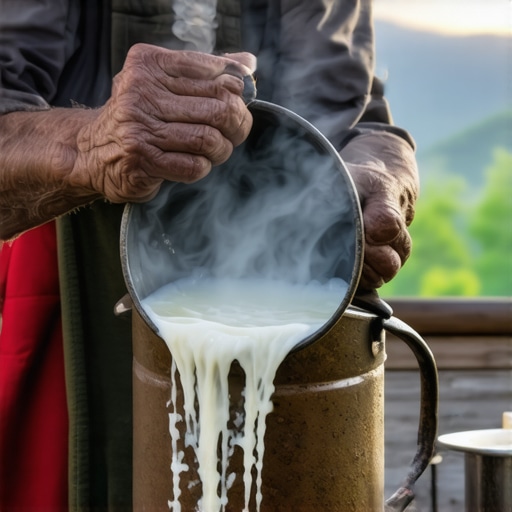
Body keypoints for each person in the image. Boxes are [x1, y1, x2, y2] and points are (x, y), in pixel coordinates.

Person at [0, 1, 419, 511]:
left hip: (280, 314)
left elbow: (352, 111)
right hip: (70, 302)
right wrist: (90, 144)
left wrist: (383, 163)